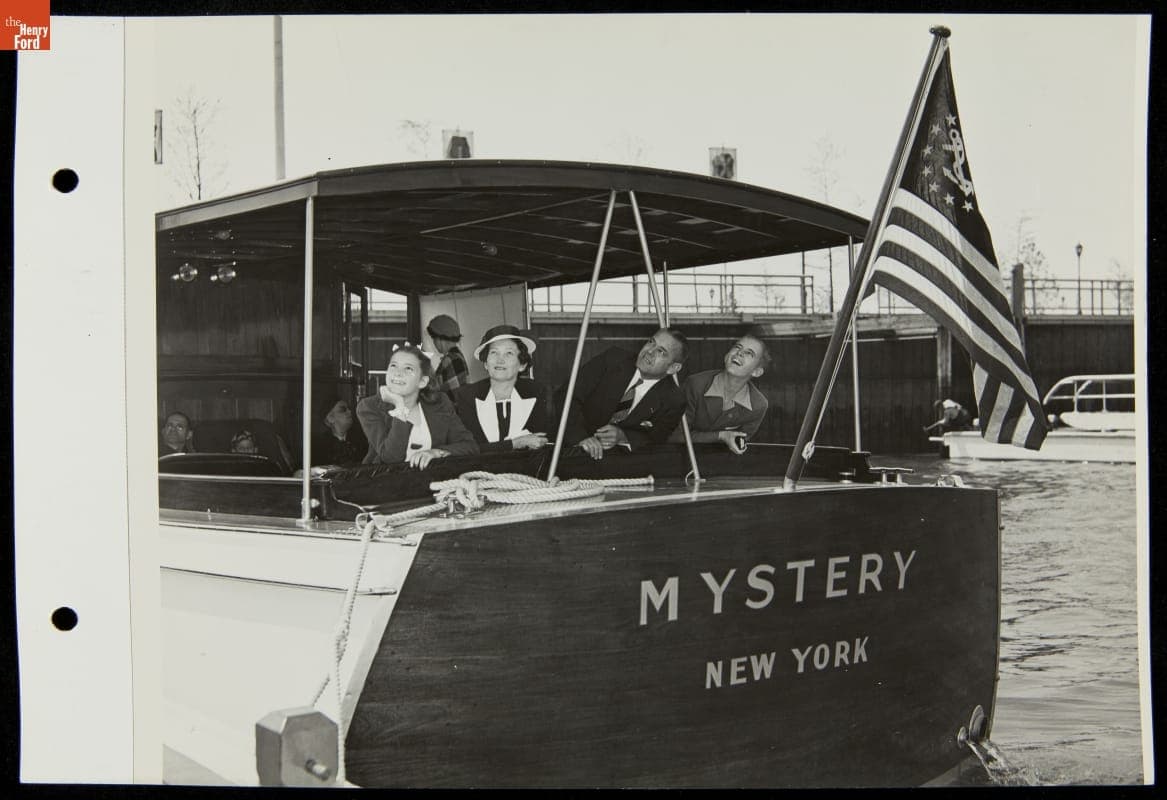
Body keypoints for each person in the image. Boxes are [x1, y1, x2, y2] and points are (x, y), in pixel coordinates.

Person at [557, 327, 688, 460]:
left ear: (673, 368)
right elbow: (566, 395)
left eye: (660, 351)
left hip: (621, 464)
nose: (649, 351)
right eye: (651, 342)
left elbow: (656, 438)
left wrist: (623, 436)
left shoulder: (675, 400)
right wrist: (581, 438)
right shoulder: (613, 359)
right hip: (570, 450)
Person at [356, 342, 479, 469]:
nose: (398, 373)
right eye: (393, 366)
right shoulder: (369, 407)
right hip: (384, 482)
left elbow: (469, 446)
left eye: (408, 368)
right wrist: (400, 407)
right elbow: (391, 458)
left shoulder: (440, 403)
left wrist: (436, 452)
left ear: (422, 382)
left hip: (433, 480)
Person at [454, 325, 551, 452]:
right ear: (485, 363)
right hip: (479, 470)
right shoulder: (467, 396)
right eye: (494, 352)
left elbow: (541, 441)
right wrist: (515, 443)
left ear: (522, 364)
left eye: (509, 353)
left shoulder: (537, 392)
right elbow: (470, 448)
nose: (500, 360)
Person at [672, 332, 770, 454]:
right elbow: (676, 436)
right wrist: (721, 436)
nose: (739, 353)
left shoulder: (758, 405)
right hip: (679, 457)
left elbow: (737, 445)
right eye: (737, 347)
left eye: (749, 353)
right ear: (726, 356)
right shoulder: (695, 385)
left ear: (756, 372)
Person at [311, 400, 368, 466]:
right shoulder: (319, 446)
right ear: (330, 418)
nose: (349, 412)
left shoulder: (362, 440)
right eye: (343, 410)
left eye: (349, 409)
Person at [426, 314, 469, 398]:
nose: (434, 343)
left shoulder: (450, 359)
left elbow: (454, 398)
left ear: (440, 339)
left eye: (433, 339)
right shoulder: (457, 356)